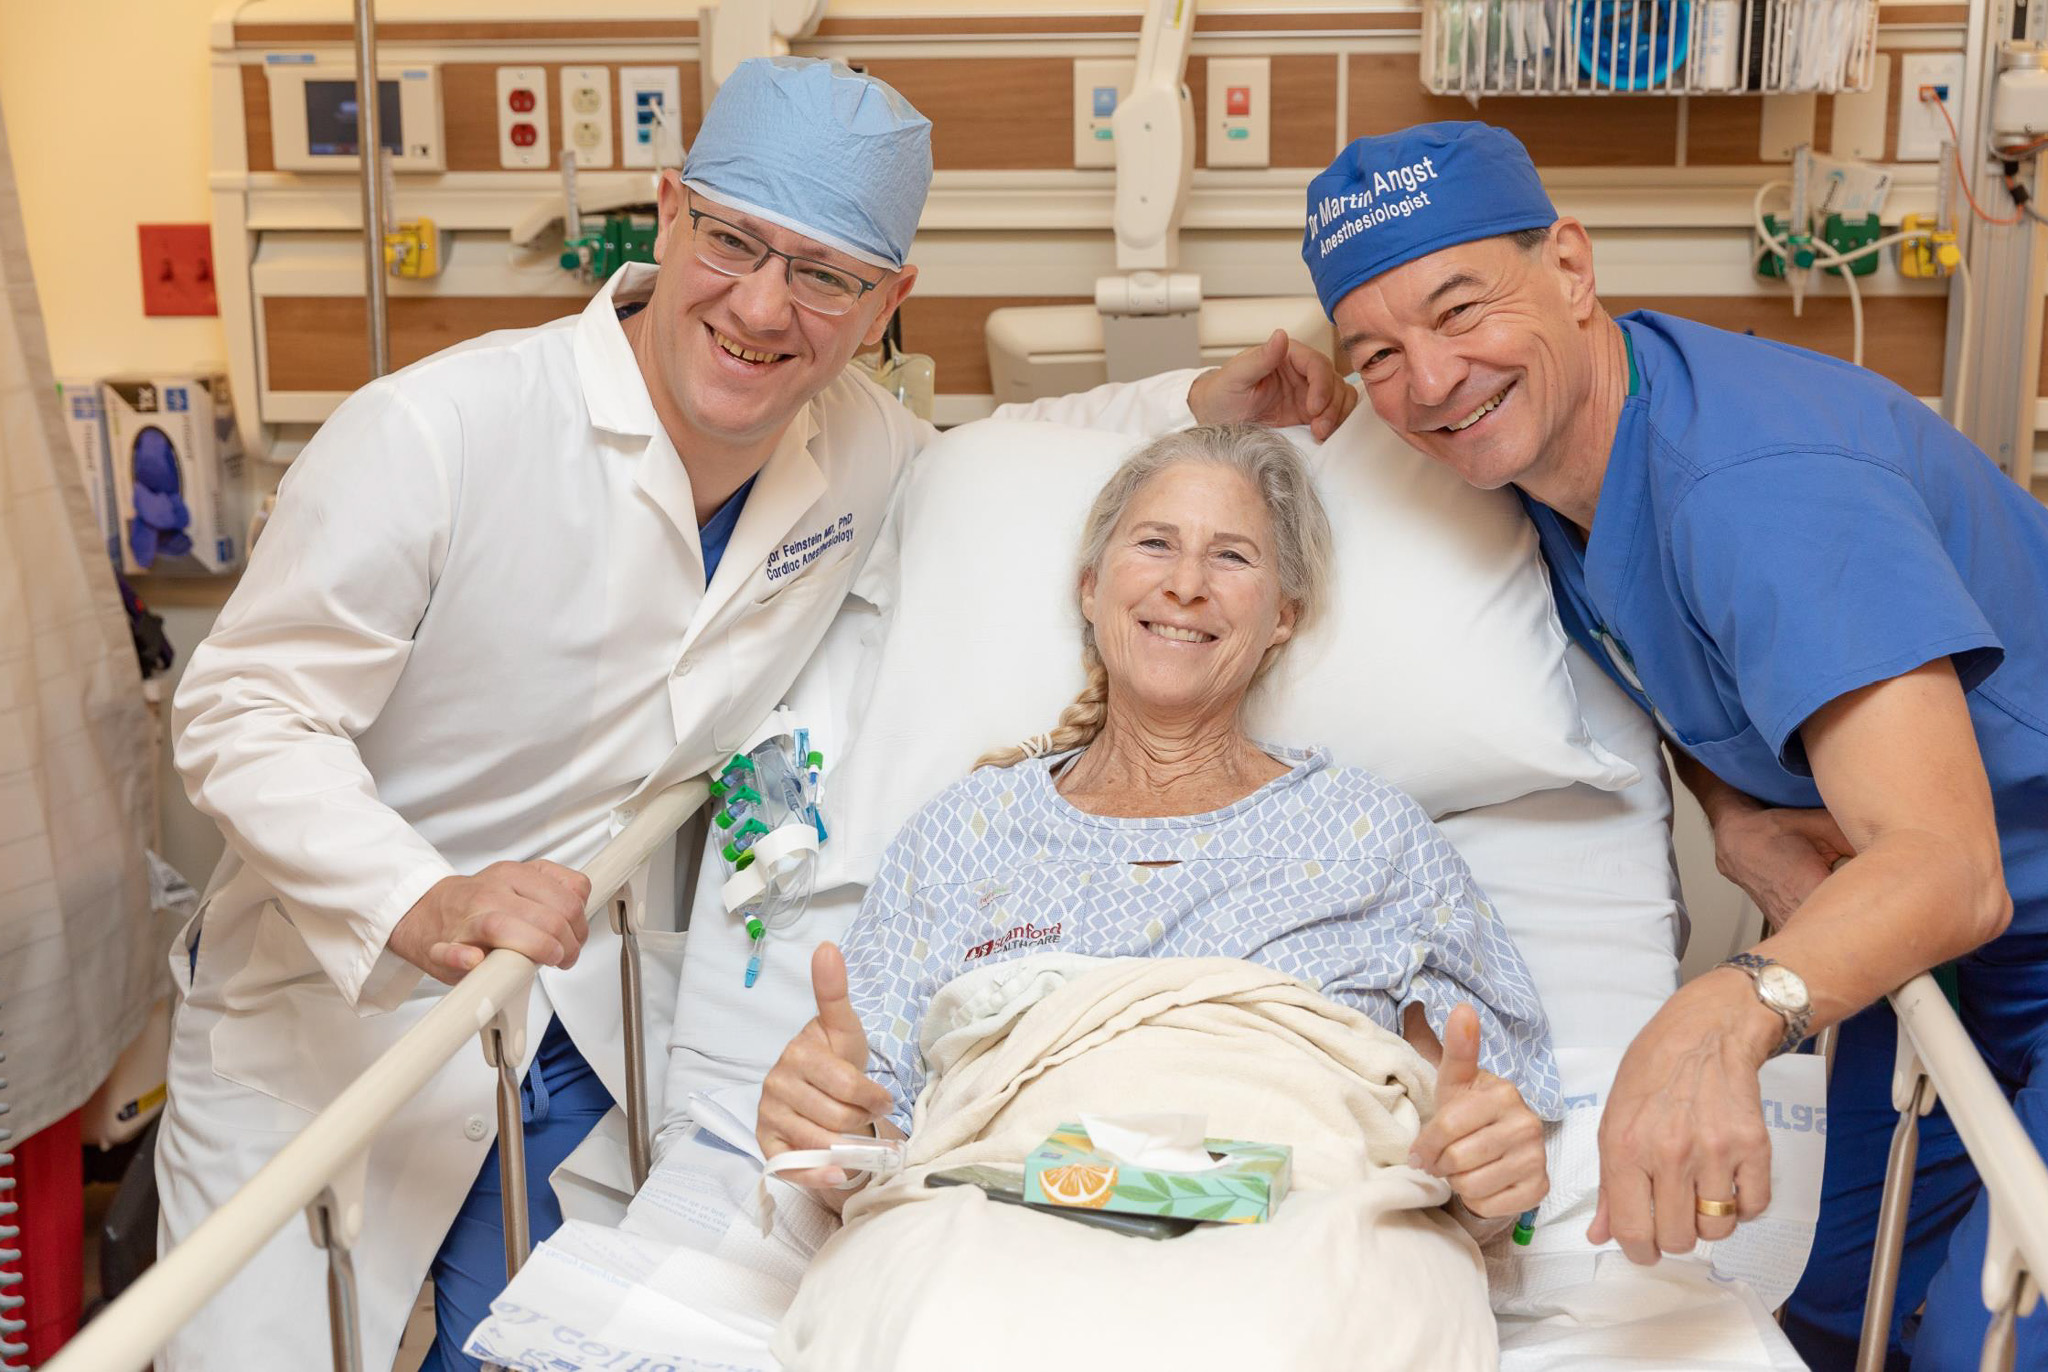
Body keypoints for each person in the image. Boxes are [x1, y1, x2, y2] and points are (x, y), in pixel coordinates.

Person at [161, 58, 1355, 1371]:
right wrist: (421, 900)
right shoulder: (439, 435)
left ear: (888, 299)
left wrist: (1195, 409)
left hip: (578, 1031)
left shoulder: (855, 447)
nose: (763, 307)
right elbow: (243, 711)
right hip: (337, 1027)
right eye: (733, 242)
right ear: (668, 212)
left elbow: (1003, 449)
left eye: (828, 275)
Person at [1298, 119, 2048, 1368]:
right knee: (1834, 1301)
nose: (1427, 382)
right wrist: (1732, 807)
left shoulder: (1755, 486)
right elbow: (1684, 659)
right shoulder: (1567, 460)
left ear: (1572, 268)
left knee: (1991, 1328)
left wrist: (1723, 1009)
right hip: (1954, 941)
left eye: (1460, 306)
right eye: (1375, 353)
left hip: (1972, 888)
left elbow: (1949, 864)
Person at [757, 424, 1558, 1236]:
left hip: (1297, 1240)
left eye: (1233, 556)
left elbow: (1468, 1155)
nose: (1186, 584)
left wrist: (1492, 1167)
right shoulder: (963, 834)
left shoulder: (1368, 834)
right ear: (1090, 588)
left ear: (1283, 615)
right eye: (1156, 543)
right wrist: (824, 1127)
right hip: (1006, 1239)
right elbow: (868, 1153)